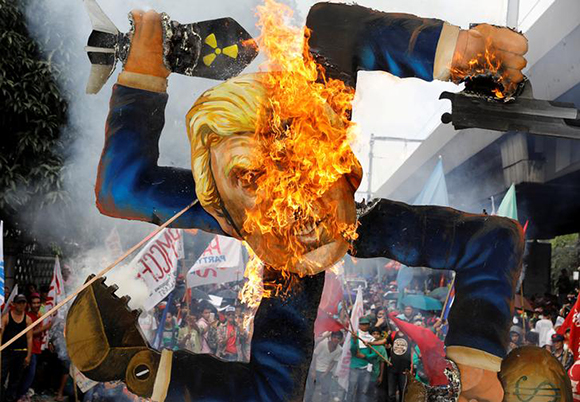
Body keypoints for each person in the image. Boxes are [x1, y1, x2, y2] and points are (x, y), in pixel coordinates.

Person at [85, 3, 528, 401]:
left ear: (343, 167)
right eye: (252, 177)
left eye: (299, 164)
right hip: (281, 265)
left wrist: (463, 49)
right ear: (221, 207)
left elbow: (334, 28)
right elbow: (120, 189)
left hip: (340, 222)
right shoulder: (236, 215)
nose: (295, 206)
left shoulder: (314, 115)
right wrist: (140, 366)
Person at [17, 293, 52, 400]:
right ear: (30, 304)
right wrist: (45, 327)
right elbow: (29, 333)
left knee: (34, 373)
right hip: (30, 349)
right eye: (34, 303)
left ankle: (27, 393)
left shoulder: (41, 315)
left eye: (38, 303)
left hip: (39, 348)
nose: (36, 305)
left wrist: (48, 342)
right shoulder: (27, 316)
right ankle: (20, 395)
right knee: (28, 374)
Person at [0, 294, 33, 402]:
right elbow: (0, 335)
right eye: (19, 302)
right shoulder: (6, 317)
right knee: (2, 376)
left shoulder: (28, 319)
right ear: (14, 304)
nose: (22, 305)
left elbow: (29, 338)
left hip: (20, 353)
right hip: (6, 352)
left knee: (15, 379)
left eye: (23, 302)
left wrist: (28, 356)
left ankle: (10, 399)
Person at [304, 331, 343, 402]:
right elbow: (314, 357)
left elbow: (333, 362)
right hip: (315, 369)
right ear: (331, 338)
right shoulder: (323, 344)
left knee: (325, 391)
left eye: (338, 338)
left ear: (340, 340)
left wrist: (325, 373)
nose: (336, 339)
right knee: (310, 390)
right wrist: (313, 371)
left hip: (327, 371)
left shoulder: (339, 349)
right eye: (334, 337)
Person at [347, 317, 375, 402]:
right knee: (351, 390)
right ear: (359, 325)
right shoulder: (355, 335)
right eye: (362, 324)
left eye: (366, 324)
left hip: (365, 368)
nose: (364, 326)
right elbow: (352, 350)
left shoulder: (371, 338)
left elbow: (374, 354)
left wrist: (365, 356)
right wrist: (355, 341)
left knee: (361, 390)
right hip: (354, 367)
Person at [387, 328, 412, 402]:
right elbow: (384, 342)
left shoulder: (409, 336)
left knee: (403, 392)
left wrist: (411, 368)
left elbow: (413, 351)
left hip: (404, 370)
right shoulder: (393, 334)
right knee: (391, 393)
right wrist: (371, 343)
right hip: (392, 368)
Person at [368, 327, 388, 402]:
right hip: (366, 373)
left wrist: (381, 376)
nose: (375, 336)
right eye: (374, 334)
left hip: (376, 373)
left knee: (375, 393)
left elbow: (382, 362)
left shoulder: (381, 348)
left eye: (377, 334)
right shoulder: (367, 345)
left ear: (380, 335)